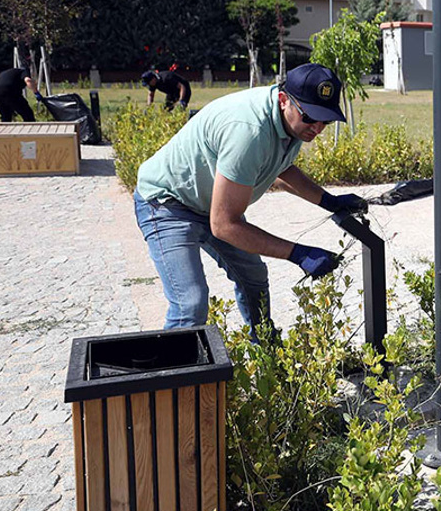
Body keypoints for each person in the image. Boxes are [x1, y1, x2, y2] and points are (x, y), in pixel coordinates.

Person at [133, 63, 366, 334]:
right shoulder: (249, 130)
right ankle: (171, 375)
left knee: (253, 276)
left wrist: (329, 201)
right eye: (311, 117)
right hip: (167, 204)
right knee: (190, 305)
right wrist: (299, 253)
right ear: (283, 100)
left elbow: (281, 167)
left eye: (325, 120)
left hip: (209, 202)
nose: (317, 127)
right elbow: (224, 225)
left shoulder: (292, 122)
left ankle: (265, 350)